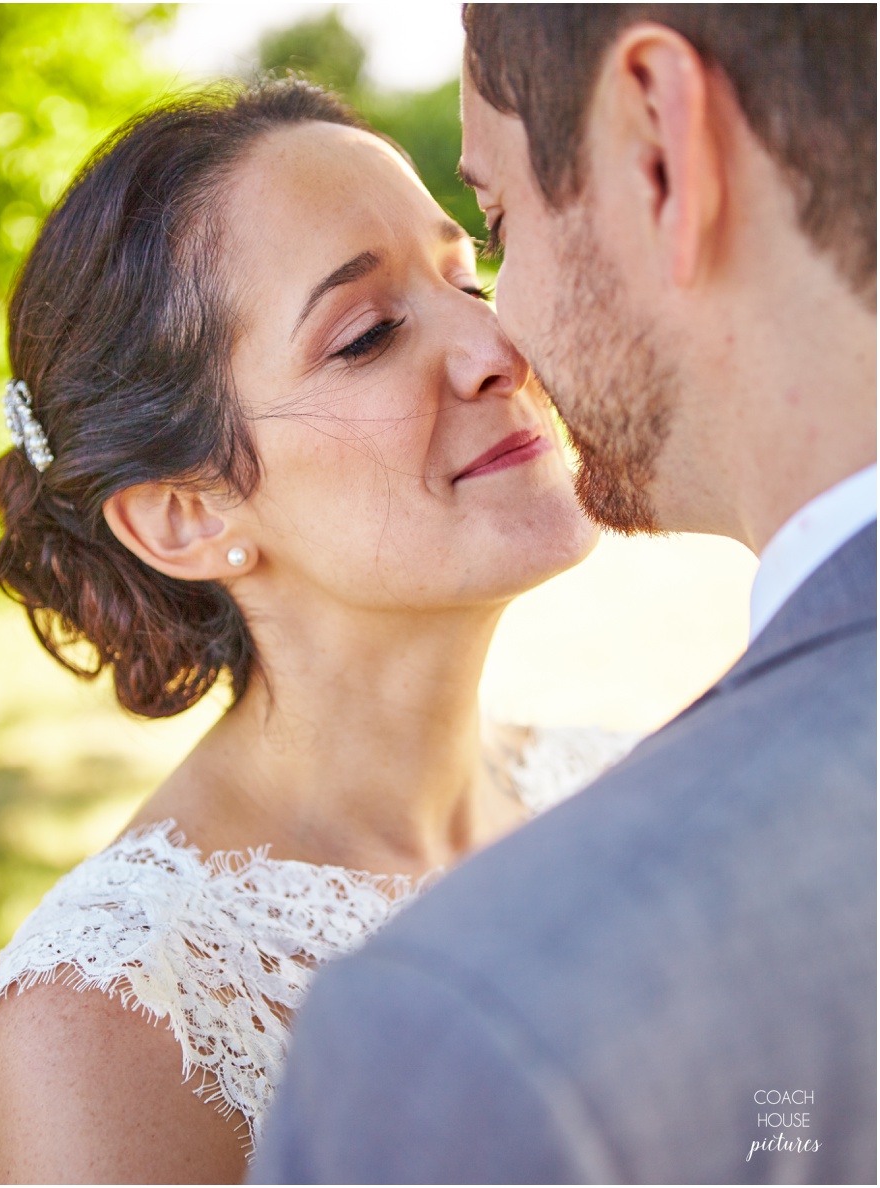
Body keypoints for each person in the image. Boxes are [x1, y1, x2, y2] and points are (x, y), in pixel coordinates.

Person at [251, 5, 877, 1184]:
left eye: (490, 231)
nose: (503, 341)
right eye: (371, 330)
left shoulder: (469, 1026)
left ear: (661, 145)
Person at [0, 78, 641, 1184]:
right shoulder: (119, 1023)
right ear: (186, 515)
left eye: (467, 272)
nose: (497, 345)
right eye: (369, 333)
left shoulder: (622, 789)